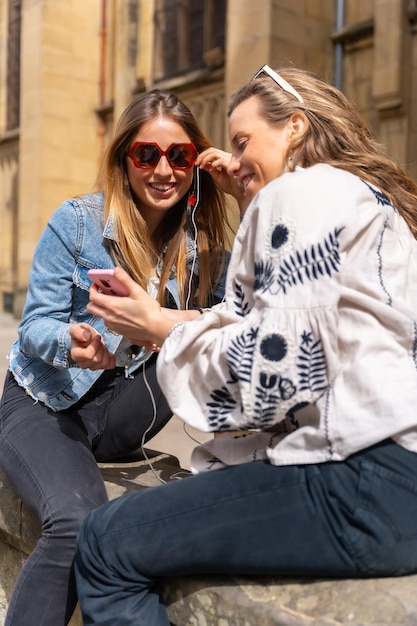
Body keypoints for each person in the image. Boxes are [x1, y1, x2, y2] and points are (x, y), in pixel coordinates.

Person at [74, 65, 417, 626]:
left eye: (242, 142)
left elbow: (273, 374)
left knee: (106, 541)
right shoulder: (365, 198)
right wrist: (246, 197)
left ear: (296, 129)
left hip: (357, 485)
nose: (231, 163)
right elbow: (278, 316)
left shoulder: (304, 191)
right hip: (395, 484)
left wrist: (163, 332)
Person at [0, 88, 231, 626]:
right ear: (124, 157)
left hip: (121, 415)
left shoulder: (197, 245)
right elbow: (34, 326)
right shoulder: (78, 222)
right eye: (146, 154)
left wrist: (238, 192)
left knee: (200, 333)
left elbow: (239, 328)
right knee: (77, 522)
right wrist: (72, 342)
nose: (163, 170)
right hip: (48, 403)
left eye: (180, 156)